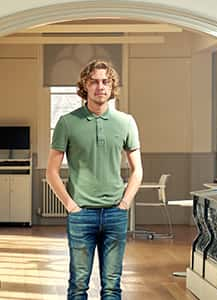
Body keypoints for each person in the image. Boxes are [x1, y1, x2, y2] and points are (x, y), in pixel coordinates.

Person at [46, 60, 143, 300]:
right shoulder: (67, 123)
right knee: (78, 286)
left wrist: (124, 204)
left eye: (106, 81)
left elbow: (137, 170)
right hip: (81, 215)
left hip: (115, 214)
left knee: (112, 287)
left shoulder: (126, 122)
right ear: (85, 86)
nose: (101, 86)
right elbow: (51, 171)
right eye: (94, 81)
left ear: (112, 87)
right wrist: (71, 206)